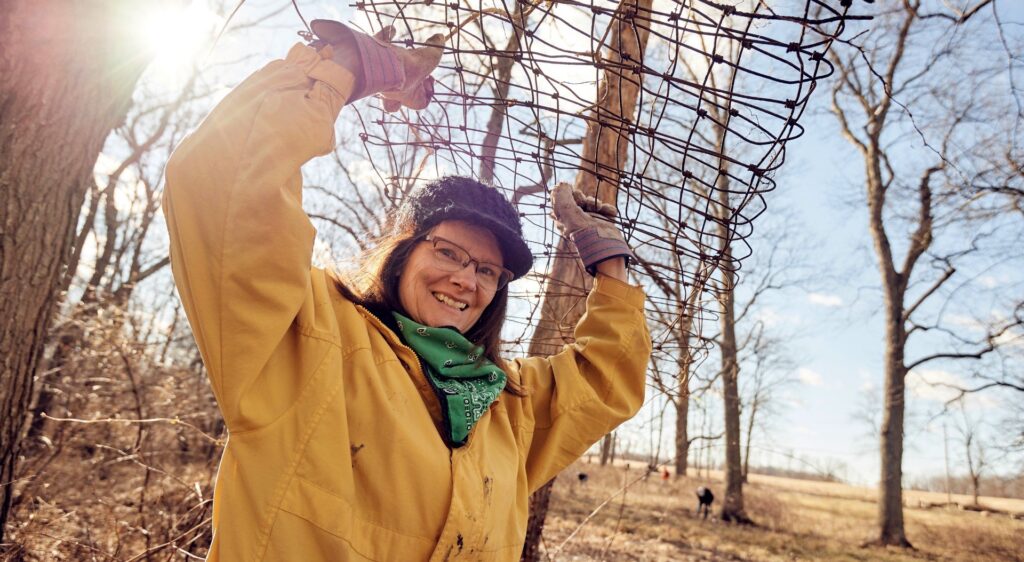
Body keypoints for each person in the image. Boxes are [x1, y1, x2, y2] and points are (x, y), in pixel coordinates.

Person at [163, 18, 651, 561]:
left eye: (488, 272)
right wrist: (349, 67)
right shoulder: (306, 336)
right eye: (447, 252)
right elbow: (222, 180)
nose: (466, 279)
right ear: (403, 252)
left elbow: (604, 382)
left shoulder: (506, 403)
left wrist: (608, 262)